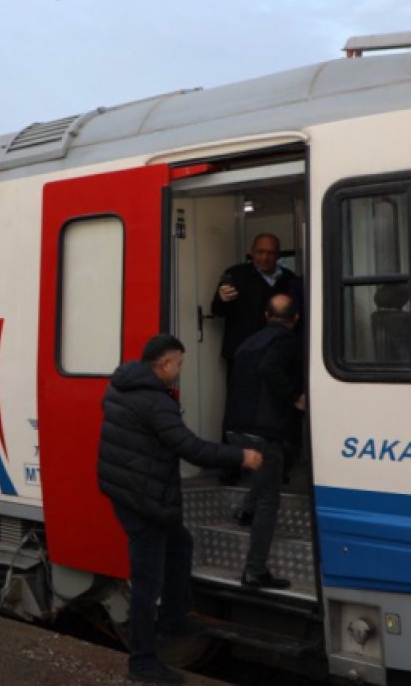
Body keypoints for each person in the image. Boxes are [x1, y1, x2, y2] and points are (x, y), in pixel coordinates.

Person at [97, 334, 265, 684]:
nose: (180, 370)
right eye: (180, 363)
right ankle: (142, 663)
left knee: (181, 544)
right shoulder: (156, 402)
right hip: (145, 501)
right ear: (164, 365)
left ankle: (173, 617)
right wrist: (241, 456)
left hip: (131, 491)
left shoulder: (122, 385)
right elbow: (190, 448)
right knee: (147, 583)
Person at [224, 294, 305, 590]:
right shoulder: (286, 341)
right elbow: (269, 369)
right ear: (295, 319)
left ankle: (245, 509)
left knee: (265, 474)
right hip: (263, 430)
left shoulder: (248, 342)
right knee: (270, 498)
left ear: (265, 315)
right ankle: (255, 570)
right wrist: (294, 398)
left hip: (236, 427)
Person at [210, 233, 301, 431]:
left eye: (271, 253)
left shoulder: (290, 279)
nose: (265, 257)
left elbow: (299, 314)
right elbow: (217, 311)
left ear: (278, 255)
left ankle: (279, 451)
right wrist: (222, 299)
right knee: (241, 402)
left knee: (278, 400)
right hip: (242, 351)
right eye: (260, 252)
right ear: (251, 252)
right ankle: (236, 452)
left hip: (280, 350)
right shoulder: (235, 274)